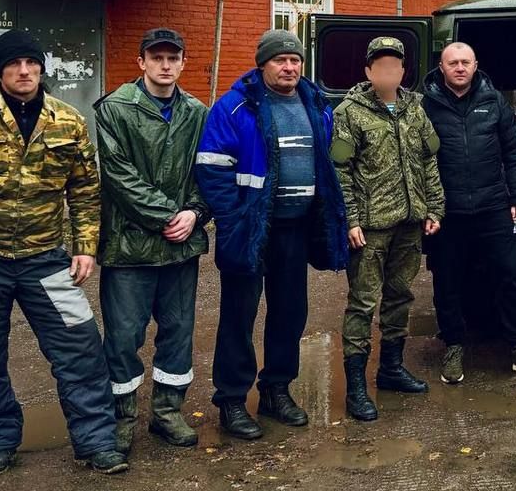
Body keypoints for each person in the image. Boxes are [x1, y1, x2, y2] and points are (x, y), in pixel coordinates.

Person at [0, 30, 128, 476]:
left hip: (45, 258)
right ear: (0, 70)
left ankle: (96, 442)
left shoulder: (68, 121)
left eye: (31, 63)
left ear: (42, 68)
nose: (24, 71)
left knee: (80, 348)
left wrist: (85, 248)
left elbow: (85, 190)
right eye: (14, 64)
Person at [195, 29, 349, 440]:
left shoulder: (316, 104)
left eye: (295, 60)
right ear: (263, 64)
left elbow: (327, 163)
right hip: (250, 230)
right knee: (238, 317)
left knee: (290, 312)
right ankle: (230, 399)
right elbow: (211, 166)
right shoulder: (234, 106)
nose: (289, 67)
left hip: (295, 229)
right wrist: (233, 218)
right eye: (280, 60)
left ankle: (276, 391)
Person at [96, 28, 211, 455]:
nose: (165, 65)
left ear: (182, 62)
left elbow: (209, 171)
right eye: (157, 57)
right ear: (141, 61)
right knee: (124, 336)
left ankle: (167, 412)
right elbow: (118, 174)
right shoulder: (116, 108)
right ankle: (121, 417)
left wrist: (196, 213)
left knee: (178, 331)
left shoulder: (197, 112)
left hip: (181, 245)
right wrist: (168, 215)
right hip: (130, 247)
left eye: (173, 58)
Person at [421, 42, 516, 385]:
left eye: (465, 62)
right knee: (447, 281)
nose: (460, 68)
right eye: (453, 63)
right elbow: (417, 159)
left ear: (476, 65)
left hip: (493, 205)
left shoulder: (494, 102)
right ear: (442, 67)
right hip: (446, 210)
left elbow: (514, 151)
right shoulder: (426, 105)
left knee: (508, 276)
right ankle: (453, 346)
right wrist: (424, 206)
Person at [333, 37, 445, 422]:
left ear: (402, 71)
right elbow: (340, 171)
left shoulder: (416, 108)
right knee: (362, 304)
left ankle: (391, 370)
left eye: (394, 66)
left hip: (410, 223)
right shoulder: (350, 112)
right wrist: (350, 219)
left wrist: (435, 208)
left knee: (400, 297)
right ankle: (356, 388)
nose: (388, 72)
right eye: (379, 66)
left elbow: (429, 161)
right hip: (371, 227)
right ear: (368, 72)